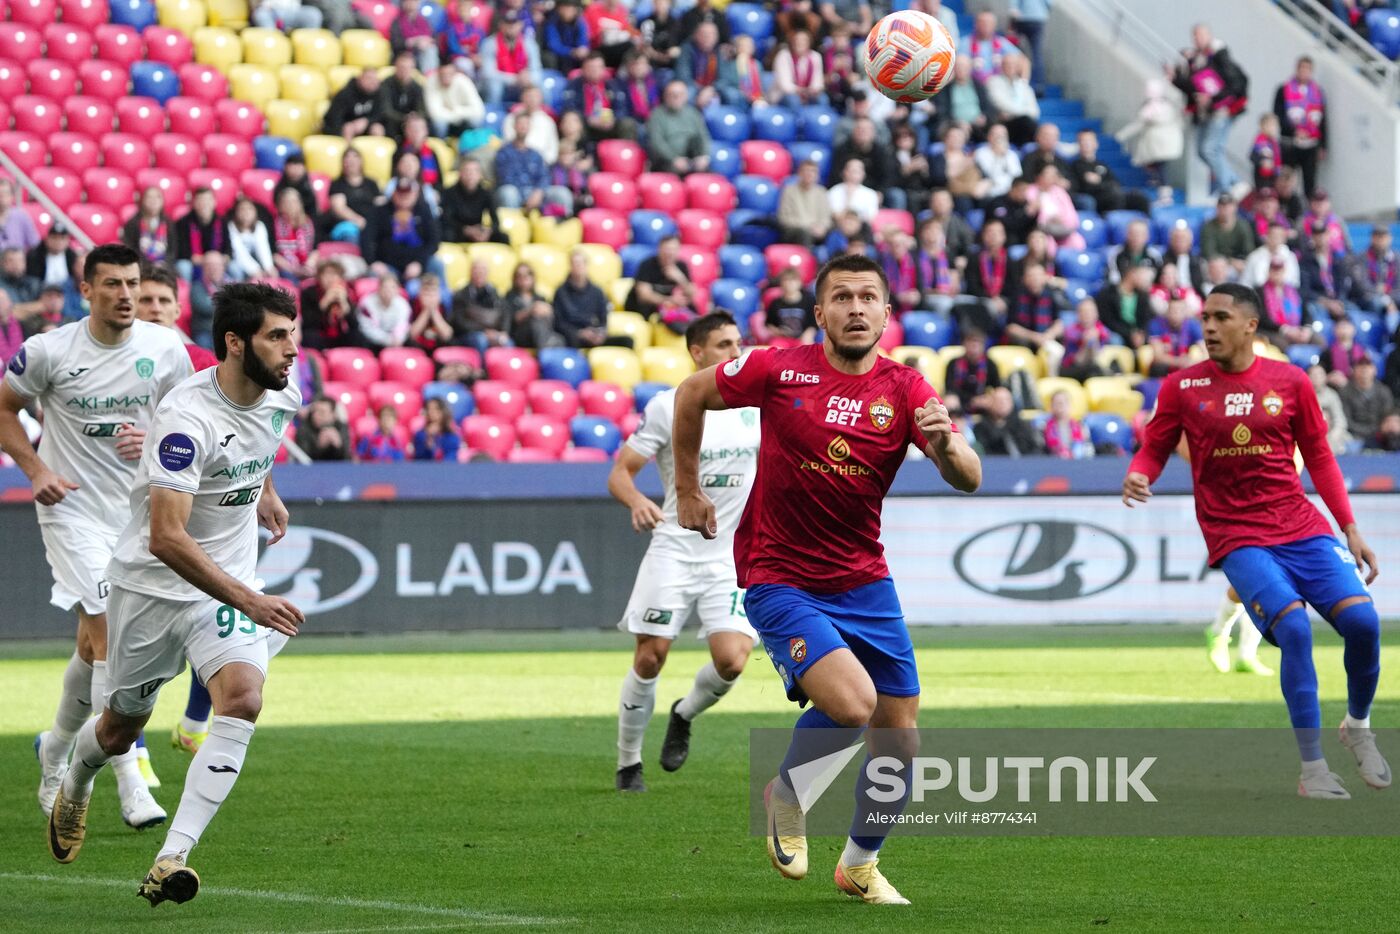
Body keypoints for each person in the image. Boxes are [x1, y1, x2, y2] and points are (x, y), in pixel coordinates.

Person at [672, 253, 982, 905]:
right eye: (841, 297)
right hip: (780, 574)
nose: (856, 308)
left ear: (887, 314)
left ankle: (860, 866)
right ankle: (787, 793)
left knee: (900, 736)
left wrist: (948, 445)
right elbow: (690, 394)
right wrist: (687, 488)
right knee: (850, 706)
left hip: (864, 579)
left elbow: (970, 476)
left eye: (869, 297)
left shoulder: (905, 389)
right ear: (820, 313)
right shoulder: (776, 367)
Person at [45, 281, 303, 903]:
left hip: (224, 587)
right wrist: (250, 599)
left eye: (293, 334)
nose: (293, 349)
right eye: (277, 336)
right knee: (117, 728)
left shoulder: (281, 392)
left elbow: (258, 443)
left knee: (242, 698)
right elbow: (166, 537)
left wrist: (263, 491)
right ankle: (76, 783)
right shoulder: (185, 420)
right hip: (153, 589)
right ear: (235, 344)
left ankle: (172, 856)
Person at [1126, 282, 1386, 800]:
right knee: (1294, 630)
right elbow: (1153, 447)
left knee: (1363, 622)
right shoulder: (1181, 387)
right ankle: (1313, 771)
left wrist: (1349, 526)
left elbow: (1319, 456)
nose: (1209, 327)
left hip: (1300, 524)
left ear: (1250, 325)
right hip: (1234, 531)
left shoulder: (1290, 381)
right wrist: (1139, 473)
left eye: (1221, 317)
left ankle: (1357, 726)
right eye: (1205, 318)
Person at [1, 244, 194, 830]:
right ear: (87, 291)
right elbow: (5, 408)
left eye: (133, 283)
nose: (127, 294)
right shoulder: (49, 351)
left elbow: (188, 417)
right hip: (72, 509)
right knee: (110, 628)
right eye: (112, 284)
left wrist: (155, 437)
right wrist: (37, 472)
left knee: (93, 645)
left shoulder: (165, 349)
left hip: (137, 515)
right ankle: (130, 778)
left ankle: (56, 750)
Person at [608, 312, 759, 792]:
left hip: (731, 555)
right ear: (697, 353)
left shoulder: (756, 407)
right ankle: (628, 762)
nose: (736, 354)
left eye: (738, 344)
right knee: (651, 656)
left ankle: (684, 712)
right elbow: (619, 473)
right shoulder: (667, 406)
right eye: (723, 345)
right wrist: (636, 501)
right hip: (675, 545)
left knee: (733, 659)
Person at [134, 265, 220, 751]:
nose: (155, 309)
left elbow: (238, 421)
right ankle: (132, 748)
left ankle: (193, 722)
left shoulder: (202, 359)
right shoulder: (115, 361)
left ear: (178, 306)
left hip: (199, 503)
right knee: (125, 637)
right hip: (123, 507)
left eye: (163, 301)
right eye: (146, 300)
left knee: (216, 612)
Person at [1169, 23, 1250, 197]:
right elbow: (1194, 87)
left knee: (1209, 149)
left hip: (1221, 110)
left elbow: (1233, 85)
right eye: (1195, 36)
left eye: (1200, 35)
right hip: (1208, 112)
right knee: (1205, 150)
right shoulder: (1200, 59)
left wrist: (1214, 99)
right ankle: (1230, 183)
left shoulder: (1219, 57)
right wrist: (1176, 79)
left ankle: (1231, 186)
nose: (1196, 40)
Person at [362, 181, 442, 292]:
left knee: (437, 264)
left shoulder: (424, 211)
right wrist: (373, 262)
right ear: (393, 194)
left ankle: (444, 302)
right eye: (400, 193)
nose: (404, 197)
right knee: (373, 273)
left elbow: (434, 241)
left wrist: (419, 263)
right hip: (388, 264)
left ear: (415, 194)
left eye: (408, 193)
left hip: (417, 262)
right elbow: (366, 238)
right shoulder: (379, 211)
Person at [1114, 78, 1185, 196]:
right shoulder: (1169, 106)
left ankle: (1164, 193)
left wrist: (1120, 136)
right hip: (1168, 146)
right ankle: (1161, 188)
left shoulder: (1150, 108)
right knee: (1159, 167)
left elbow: (1137, 124)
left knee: (1159, 169)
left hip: (1156, 146)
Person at [494, 113, 574, 215]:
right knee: (508, 192)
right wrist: (529, 195)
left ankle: (563, 225)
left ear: (530, 128)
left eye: (526, 124)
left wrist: (538, 192)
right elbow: (505, 178)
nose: (523, 127)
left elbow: (544, 176)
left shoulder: (535, 154)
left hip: (536, 192)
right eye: (520, 124)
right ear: (514, 126)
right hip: (516, 192)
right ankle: (513, 226)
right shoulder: (504, 152)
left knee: (562, 193)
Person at [1273, 56, 1327, 198]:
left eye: (1307, 69)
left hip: (1310, 144)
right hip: (1290, 143)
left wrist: (1323, 145)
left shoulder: (1317, 91)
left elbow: (1323, 119)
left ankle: (1309, 214)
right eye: (1301, 68)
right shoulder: (1283, 89)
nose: (1304, 72)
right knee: (1286, 180)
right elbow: (1278, 115)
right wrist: (1294, 131)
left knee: (1310, 182)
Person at [1005, 263, 1067, 374]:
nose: (1034, 279)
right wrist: (1034, 337)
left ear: (1044, 278)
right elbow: (1011, 328)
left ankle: (1052, 381)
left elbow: (1059, 323)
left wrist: (1048, 336)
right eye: (1031, 276)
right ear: (1024, 279)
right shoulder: (1017, 297)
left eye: (1038, 276)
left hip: (1045, 340)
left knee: (1057, 352)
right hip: (1024, 342)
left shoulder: (1051, 296)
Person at [645, 80, 711, 174]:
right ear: (665, 96)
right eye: (672, 94)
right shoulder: (656, 115)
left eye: (680, 94)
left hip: (692, 159)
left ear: (686, 96)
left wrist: (704, 156)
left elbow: (704, 136)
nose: (676, 97)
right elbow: (657, 142)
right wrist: (674, 159)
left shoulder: (693, 113)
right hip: (667, 161)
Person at [626, 235, 696, 322]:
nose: (670, 253)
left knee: (692, 309)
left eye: (673, 249)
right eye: (667, 249)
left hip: (667, 305)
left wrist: (681, 279)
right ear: (659, 249)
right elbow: (644, 295)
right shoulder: (647, 265)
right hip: (646, 307)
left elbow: (692, 294)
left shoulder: (681, 266)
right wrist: (668, 301)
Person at [478, 11, 542, 105]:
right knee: (494, 86)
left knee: (539, 84)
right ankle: (494, 114)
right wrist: (515, 79)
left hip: (522, 83)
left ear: (520, 25)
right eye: (507, 23)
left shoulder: (529, 43)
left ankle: (542, 114)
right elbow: (488, 73)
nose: (511, 27)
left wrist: (528, 77)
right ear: (501, 25)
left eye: (514, 23)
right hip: (502, 83)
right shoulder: (490, 43)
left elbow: (536, 69)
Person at [299, 259, 361, 350]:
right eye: (327, 274)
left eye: (335, 274)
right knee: (310, 336)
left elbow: (354, 325)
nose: (331, 278)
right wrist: (325, 302)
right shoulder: (309, 292)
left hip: (339, 336)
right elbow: (307, 323)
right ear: (319, 277)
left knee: (357, 336)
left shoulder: (344, 292)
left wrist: (344, 304)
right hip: (319, 334)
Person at [451, 260, 510, 354]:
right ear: (470, 272)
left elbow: (505, 314)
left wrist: (503, 332)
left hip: (493, 332)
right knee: (480, 340)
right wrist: (484, 331)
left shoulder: (495, 294)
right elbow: (459, 322)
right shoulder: (461, 294)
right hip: (469, 334)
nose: (479, 273)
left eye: (483, 270)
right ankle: (482, 368)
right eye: (476, 270)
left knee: (507, 342)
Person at [324, 148, 381, 245]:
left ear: (361, 162)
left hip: (370, 223)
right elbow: (339, 208)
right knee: (350, 234)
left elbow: (380, 203)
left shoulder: (371, 183)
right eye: (347, 159)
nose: (351, 162)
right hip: (347, 224)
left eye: (354, 158)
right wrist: (359, 221)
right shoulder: (337, 184)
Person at [500, 262, 563, 348]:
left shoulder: (539, 297)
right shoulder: (510, 297)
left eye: (528, 274)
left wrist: (549, 310)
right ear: (514, 278)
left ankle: (545, 346)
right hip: (520, 335)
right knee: (535, 322)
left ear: (533, 277)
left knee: (560, 339)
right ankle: (544, 349)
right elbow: (513, 318)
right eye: (519, 275)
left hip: (541, 333)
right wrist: (531, 311)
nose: (524, 278)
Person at [173, 188, 228, 283]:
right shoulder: (183, 222)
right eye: (200, 200)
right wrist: (205, 260)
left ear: (214, 202)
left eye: (207, 200)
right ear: (193, 203)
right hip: (192, 261)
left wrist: (221, 258)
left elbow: (228, 249)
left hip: (216, 261)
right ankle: (187, 296)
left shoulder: (222, 222)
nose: (204, 204)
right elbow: (181, 251)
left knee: (235, 269)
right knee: (183, 267)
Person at [984, 54, 1040, 146]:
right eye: (1007, 64)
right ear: (1002, 66)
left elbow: (1035, 111)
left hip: (1022, 121)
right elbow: (1000, 103)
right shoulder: (993, 82)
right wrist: (1023, 112)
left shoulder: (1023, 85)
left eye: (1013, 65)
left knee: (1029, 123)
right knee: (1026, 122)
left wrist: (1015, 114)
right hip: (1005, 123)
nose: (1010, 67)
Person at [1097, 260, 1155, 348]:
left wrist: (1141, 333)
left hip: (1138, 334)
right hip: (1118, 333)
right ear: (1131, 275)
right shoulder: (1108, 294)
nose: (1143, 278)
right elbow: (1108, 320)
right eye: (1140, 274)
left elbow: (1146, 318)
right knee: (1115, 340)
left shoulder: (1143, 296)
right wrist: (1129, 334)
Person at [777, 159, 833, 248]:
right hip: (796, 231)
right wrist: (809, 226)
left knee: (836, 233)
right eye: (806, 171)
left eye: (812, 171)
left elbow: (826, 217)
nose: (809, 174)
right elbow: (784, 218)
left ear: (817, 175)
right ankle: (809, 260)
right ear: (799, 173)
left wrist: (822, 227)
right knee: (804, 233)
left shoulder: (821, 192)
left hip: (817, 231)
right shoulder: (789, 191)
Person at [423, 60, 484, 139]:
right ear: (438, 73)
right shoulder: (431, 82)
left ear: (455, 73)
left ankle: (470, 145)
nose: (446, 77)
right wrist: (456, 114)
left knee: (476, 120)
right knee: (439, 123)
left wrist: (457, 111)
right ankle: (441, 147)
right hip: (445, 121)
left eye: (449, 74)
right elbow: (434, 114)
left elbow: (479, 110)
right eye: (443, 75)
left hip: (462, 120)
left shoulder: (464, 81)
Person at [1340, 356, 1393, 446]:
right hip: (1353, 434)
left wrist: (1377, 431)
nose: (1364, 371)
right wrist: (1364, 432)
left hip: (1379, 434)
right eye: (1360, 367)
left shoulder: (1384, 391)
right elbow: (1346, 419)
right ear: (1354, 371)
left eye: (1368, 367)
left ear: (1375, 370)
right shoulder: (1345, 392)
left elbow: (1387, 416)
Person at [322, 67, 388, 139]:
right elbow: (333, 118)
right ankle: (348, 149)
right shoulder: (345, 94)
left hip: (366, 128)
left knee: (377, 128)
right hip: (344, 128)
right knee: (348, 128)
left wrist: (367, 121)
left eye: (375, 80)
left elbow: (381, 114)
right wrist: (349, 126)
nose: (372, 82)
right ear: (360, 79)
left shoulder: (379, 94)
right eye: (369, 79)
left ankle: (374, 149)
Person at [974, 385, 1041, 456]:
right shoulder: (980, 428)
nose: (1002, 404)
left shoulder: (1023, 426)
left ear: (1012, 403)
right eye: (998, 400)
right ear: (990, 403)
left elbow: (1034, 450)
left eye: (1006, 400)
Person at [1199, 193, 1256, 274]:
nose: (1225, 209)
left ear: (1235, 207)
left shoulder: (1243, 225)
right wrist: (1230, 261)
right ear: (1217, 208)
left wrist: (1242, 262)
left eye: (1229, 206)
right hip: (1217, 264)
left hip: (1239, 264)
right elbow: (1208, 253)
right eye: (1222, 206)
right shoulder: (1209, 226)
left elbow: (1249, 251)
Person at [1148, 296, 1204, 376]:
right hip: (1166, 366)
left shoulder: (1193, 325)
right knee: (1158, 367)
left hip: (1186, 364)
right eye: (1172, 310)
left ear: (1185, 312)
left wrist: (1193, 363)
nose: (1175, 314)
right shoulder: (1156, 324)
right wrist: (1179, 362)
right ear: (1167, 311)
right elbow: (1158, 356)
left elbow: (1206, 352)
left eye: (1179, 310)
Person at [762, 268, 818, 346]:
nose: (789, 284)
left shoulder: (809, 301)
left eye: (793, 280)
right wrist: (779, 332)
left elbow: (814, 324)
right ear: (781, 283)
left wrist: (808, 334)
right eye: (786, 280)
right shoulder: (775, 303)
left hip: (803, 338)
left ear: (800, 282)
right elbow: (769, 324)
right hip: (782, 339)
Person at [377, 50, 426, 139]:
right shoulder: (386, 84)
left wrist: (414, 118)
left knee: (420, 125)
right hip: (392, 123)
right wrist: (405, 119)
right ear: (396, 67)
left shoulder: (417, 87)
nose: (404, 71)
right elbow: (385, 110)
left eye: (407, 68)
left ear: (413, 68)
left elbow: (421, 110)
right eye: (401, 67)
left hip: (411, 124)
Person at [1060, 298, 1112, 382]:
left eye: (1090, 311)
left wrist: (1095, 341)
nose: (1087, 315)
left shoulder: (1102, 331)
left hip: (1091, 369)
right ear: (1078, 314)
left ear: (1096, 314)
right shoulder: (1071, 332)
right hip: (1069, 369)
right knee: (1094, 369)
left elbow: (1097, 358)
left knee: (1095, 372)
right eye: (1083, 311)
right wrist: (1085, 344)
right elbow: (1078, 362)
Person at [357, 272, 411, 351]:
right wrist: (388, 340)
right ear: (379, 288)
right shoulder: (367, 303)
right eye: (385, 287)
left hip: (395, 341)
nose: (388, 291)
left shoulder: (403, 305)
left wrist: (398, 338)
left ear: (398, 290)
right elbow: (367, 328)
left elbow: (403, 325)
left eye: (392, 287)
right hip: (374, 340)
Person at [122, 187, 175, 268]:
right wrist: (148, 264)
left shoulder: (168, 223)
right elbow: (130, 248)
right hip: (140, 266)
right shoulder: (132, 223)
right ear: (142, 200)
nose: (153, 201)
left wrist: (164, 263)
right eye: (149, 197)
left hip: (164, 267)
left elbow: (172, 250)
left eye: (157, 197)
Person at [227, 198, 277, 281]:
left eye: (249, 209)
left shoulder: (260, 226)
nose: (246, 212)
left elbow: (263, 249)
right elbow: (239, 252)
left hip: (255, 259)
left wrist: (269, 267)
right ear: (236, 212)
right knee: (235, 269)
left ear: (255, 212)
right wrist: (255, 270)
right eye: (242, 209)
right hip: (237, 261)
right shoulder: (231, 227)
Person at [771, 30, 825, 108]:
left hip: (808, 93)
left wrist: (813, 90)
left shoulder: (815, 56)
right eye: (797, 40)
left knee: (823, 98)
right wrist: (802, 91)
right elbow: (785, 86)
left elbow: (818, 81)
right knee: (793, 99)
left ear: (809, 43)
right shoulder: (783, 56)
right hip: (785, 95)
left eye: (803, 41)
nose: (800, 43)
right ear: (792, 42)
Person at [959, 10, 1015, 84]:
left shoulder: (1001, 42)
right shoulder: (965, 42)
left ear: (995, 25)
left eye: (989, 23)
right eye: (982, 22)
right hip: (974, 84)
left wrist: (1024, 81)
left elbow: (1022, 60)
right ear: (975, 24)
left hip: (999, 83)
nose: (986, 25)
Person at [1308, 363, 1351, 457]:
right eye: (1313, 375)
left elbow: (1340, 421)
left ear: (1325, 377)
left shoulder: (1332, 395)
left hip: (1331, 437)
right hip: (1309, 438)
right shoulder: (1302, 396)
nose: (1317, 378)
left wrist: (1332, 438)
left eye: (1320, 374)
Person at [974, 123, 1023, 200]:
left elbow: (1016, 176)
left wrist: (1004, 156)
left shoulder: (1012, 155)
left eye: (1002, 136)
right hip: (989, 194)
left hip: (1009, 194)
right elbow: (990, 176)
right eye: (996, 135)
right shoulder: (980, 153)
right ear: (989, 137)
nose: (999, 138)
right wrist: (998, 156)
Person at [389, 0, 439, 74]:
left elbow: (433, 38)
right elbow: (395, 44)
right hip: (403, 54)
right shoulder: (397, 22)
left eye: (414, 1)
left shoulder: (424, 21)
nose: (411, 3)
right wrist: (414, 42)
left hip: (421, 53)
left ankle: (429, 76)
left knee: (431, 49)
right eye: (408, 1)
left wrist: (426, 41)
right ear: (403, 3)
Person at [408, 273, 454, 351]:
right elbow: (412, 334)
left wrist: (434, 311)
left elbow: (447, 335)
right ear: (420, 293)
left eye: (433, 293)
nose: (430, 296)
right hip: (418, 347)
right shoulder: (413, 305)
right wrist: (426, 311)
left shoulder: (443, 306)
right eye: (426, 293)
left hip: (437, 346)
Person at [542, 0, 590, 72]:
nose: (568, 11)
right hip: (559, 56)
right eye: (565, 7)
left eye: (571, 8)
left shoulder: (580, 22)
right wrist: (571, 52)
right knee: (550, 57)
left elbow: (583, 40)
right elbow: (553, 45)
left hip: (576, 55)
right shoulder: (552, 22)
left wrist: (582, 49)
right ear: (559, 9)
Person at [1043, 389, 1092, 458]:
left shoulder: (1080, 426)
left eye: (1062, 403)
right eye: (1056, 404)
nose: (1060, 407)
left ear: (1070, 405)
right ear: (1051, 406)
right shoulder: (1044, 427)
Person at [300, 395, 350, 461]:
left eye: (322, 412)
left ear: (333, 415)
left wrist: (338, 446)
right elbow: (303, 459)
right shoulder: (304, 430)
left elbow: (347, 458)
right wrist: (319, 447)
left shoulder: (341, 427)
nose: (316, 415)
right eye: (314, 411)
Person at [412, 397, 461, 461]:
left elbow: (451, 457)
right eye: (428, 409)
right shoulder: (420, 435)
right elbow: (419, 458)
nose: (431, 412)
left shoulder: (451, 436)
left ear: (443, 411)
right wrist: (429, 440)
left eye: (436, 409)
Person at [0, 179, 40, 253]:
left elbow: (34, 244)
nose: (1, 197)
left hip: (18, 261)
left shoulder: (21, 216)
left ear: (12, 196)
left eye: (5, 194)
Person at [1250, 113, 1284, 192]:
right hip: (1262, 177)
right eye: (1270, 126)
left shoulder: (1274, 142)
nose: (1274, 128)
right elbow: (1252, 156)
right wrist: (1261, 162)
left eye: (1275, 126)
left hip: (1273, 176)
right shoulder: (1260, 142)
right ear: (1262, 127)